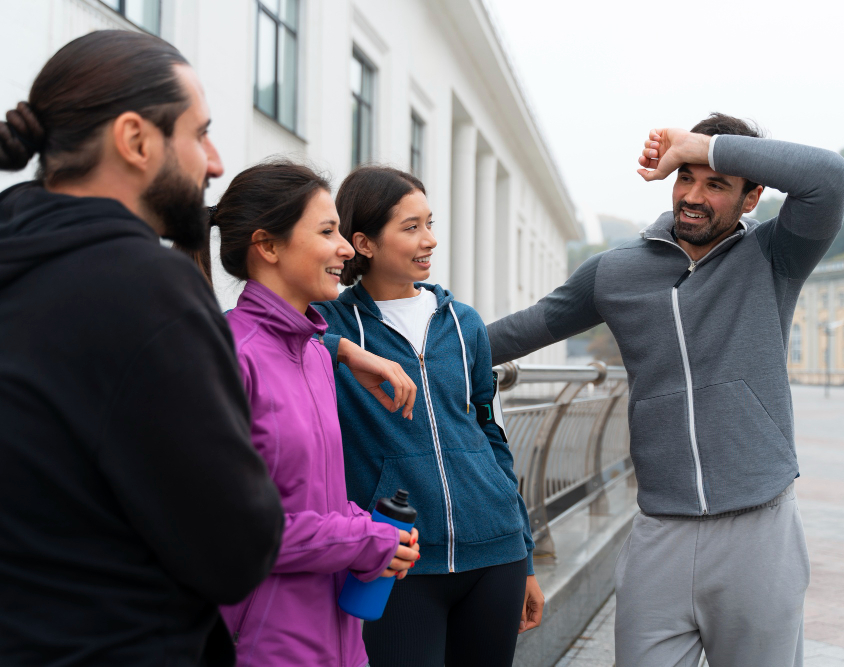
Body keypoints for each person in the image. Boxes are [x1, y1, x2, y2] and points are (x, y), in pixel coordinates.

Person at [487, 113, 844, 667]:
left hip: (759, 531)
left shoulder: (775, 257)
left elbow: (828, 176)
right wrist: (402, 350)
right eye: (686, 177)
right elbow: (527, 327)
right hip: (661, 530)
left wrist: (700, 144)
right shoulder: (617, 271)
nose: (693, 197)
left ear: (752, 198)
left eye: (716, 183)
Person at [0, 31, 285, 665]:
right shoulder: (146, 288)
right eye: (198, 133)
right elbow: (234, 548)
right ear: (135, 140)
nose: (214, 161)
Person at [313, 166, 545, 667]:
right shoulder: (330, 320)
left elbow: (491, 433)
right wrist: (349, 352)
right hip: (396, 561)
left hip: (495, 552)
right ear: (364, 243)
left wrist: (524, 555)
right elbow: (254, 331)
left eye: (430, 223)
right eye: (411, 227)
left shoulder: (464, 324)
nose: (430, 240)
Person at [210, 160, 422, 666]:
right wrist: (363, 538)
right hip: (263, 643)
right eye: (327, 231)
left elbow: (317, 501)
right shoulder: (224, 357)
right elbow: (232, 532)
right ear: (269, 245)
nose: (346, 248)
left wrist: (380, 538)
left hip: (339, 635)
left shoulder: (317, 354)